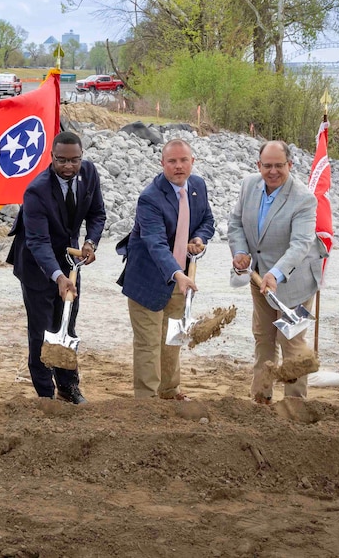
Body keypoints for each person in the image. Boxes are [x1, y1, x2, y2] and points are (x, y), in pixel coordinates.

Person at [7, 131, 106, 404]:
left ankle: (67, 386)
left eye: (74, 160)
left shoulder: (89, 174)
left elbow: (97, 214)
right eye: (61, 160)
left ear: (81, 157)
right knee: (41, 330)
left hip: (70, 258)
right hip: (35, 263)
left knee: (66, 325)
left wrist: (90, 243)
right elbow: (38, 242)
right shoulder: (37, 190)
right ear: (51, 158)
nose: (68, 166)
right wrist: (58, 277)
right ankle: (45, 394)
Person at [228, 140, 325, 403]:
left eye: (279, 166)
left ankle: (295, 403)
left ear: (290, 165)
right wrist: (239, 252)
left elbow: (301, 244)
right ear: (258, 165)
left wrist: (276, 274)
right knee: (263, 337)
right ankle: (261, 397)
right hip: (258, 277)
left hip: (295, 281)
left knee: (290, 339)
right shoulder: (249, 185)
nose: (273, 171)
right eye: (267, 166)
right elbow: (236, 223)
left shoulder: (304, 198)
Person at [117, 139, 215, 400]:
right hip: (148, 279)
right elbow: (155, 243)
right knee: (149, 343)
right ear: (162, 164)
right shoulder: (150, 198)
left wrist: (199, 239)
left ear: (192, 161)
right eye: (172, 161)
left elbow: (207, 220)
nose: (179, 166)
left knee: (172, 339)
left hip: (180, 280)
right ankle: (146, 401)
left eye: (184, 160)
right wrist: (178, 274)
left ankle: (170, 391)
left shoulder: (197, 186)